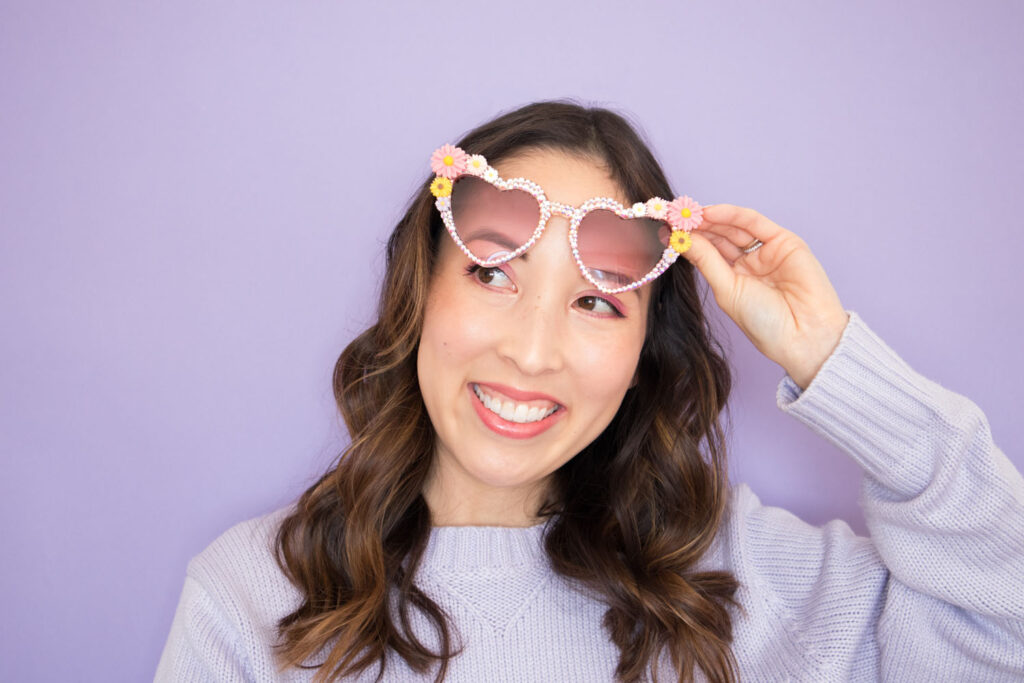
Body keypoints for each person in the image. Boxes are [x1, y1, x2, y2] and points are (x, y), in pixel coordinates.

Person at [155, 101, 1024, 682]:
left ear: (647, 347)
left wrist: (833, 358)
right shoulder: (253, 596)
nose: (533, 352)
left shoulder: (739, 579)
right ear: (421, 284)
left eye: (598, 301)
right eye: (494, 273)